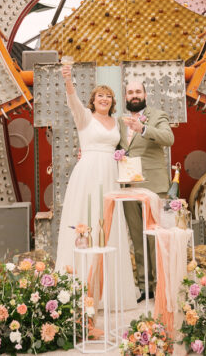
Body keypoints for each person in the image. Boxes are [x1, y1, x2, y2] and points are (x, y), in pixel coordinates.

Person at [53, 63, 139, 310]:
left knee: (110, 227)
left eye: (108, 96)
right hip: (88, 174)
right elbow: (72, 101)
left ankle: (108, 292)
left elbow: (123, 146)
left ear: (113, 102)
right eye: (100, 95)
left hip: (110, 176)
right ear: (93, 100)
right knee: (86, 222)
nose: (104, 99)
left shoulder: (116, 121)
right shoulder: (85, 118)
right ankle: (80, 290)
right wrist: (68, 80)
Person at [118, 78, 174, 301]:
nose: (134, 95)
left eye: (138, 91)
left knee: (155, 240)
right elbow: (116, 147)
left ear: (145, 95)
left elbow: (169, 138)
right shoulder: (120, 122)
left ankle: (161, 286)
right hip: (128, 186)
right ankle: (145, 287)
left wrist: (143, 129)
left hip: (153, 186)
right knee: (137, 239)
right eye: (130, 92)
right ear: (125, 97)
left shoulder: (157, 116)